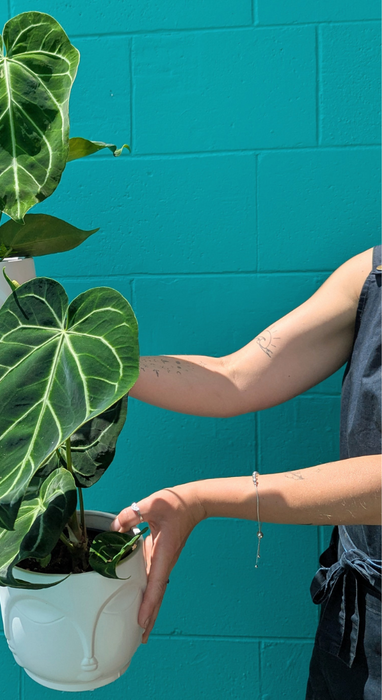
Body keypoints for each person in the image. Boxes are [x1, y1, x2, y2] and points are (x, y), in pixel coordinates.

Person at [110, 246, 381, 699]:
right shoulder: (370, 272)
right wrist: (93, 367)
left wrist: (200, 500)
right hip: (351, 620)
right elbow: (235, 376)